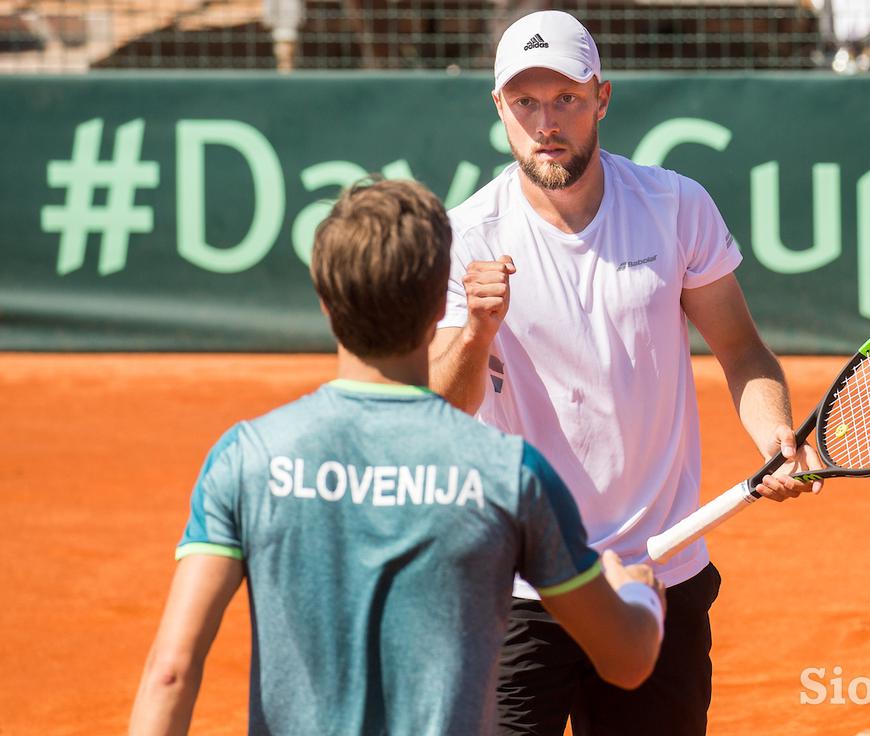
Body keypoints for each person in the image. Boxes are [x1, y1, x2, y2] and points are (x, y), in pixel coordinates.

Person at [128, 179, 667, 736]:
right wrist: (637, 596)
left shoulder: (246, 458)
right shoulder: (510, 475)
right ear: (440, 302)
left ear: (324, 299)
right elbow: (626, 660)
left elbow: (170, 672)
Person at [428, 11, 824, 736]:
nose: (546, 122)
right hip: (519, 592)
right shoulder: (467, 237)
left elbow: (742, 350)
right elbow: (437, 410)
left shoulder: (675, 208)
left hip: (661, 573)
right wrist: (478, 327)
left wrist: (775, 434)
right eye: (526, 102)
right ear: (499, 109)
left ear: (602, 98)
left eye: (567, 100)